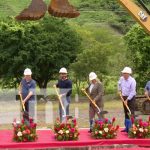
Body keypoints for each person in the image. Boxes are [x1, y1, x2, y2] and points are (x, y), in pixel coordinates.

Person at [118, 67, 136, 132]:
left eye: (125, 73)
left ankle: (131, 129)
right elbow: (119, 84)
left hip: (131, 98)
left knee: (130, 113)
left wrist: (127, 100)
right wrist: (119, 90)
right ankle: (127, 128)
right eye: (123, 73)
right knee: (126, 112)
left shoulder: (132, 81)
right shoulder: (121, 79)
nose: (124, 75)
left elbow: (132, 91)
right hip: (124, 97)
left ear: (128, 74)